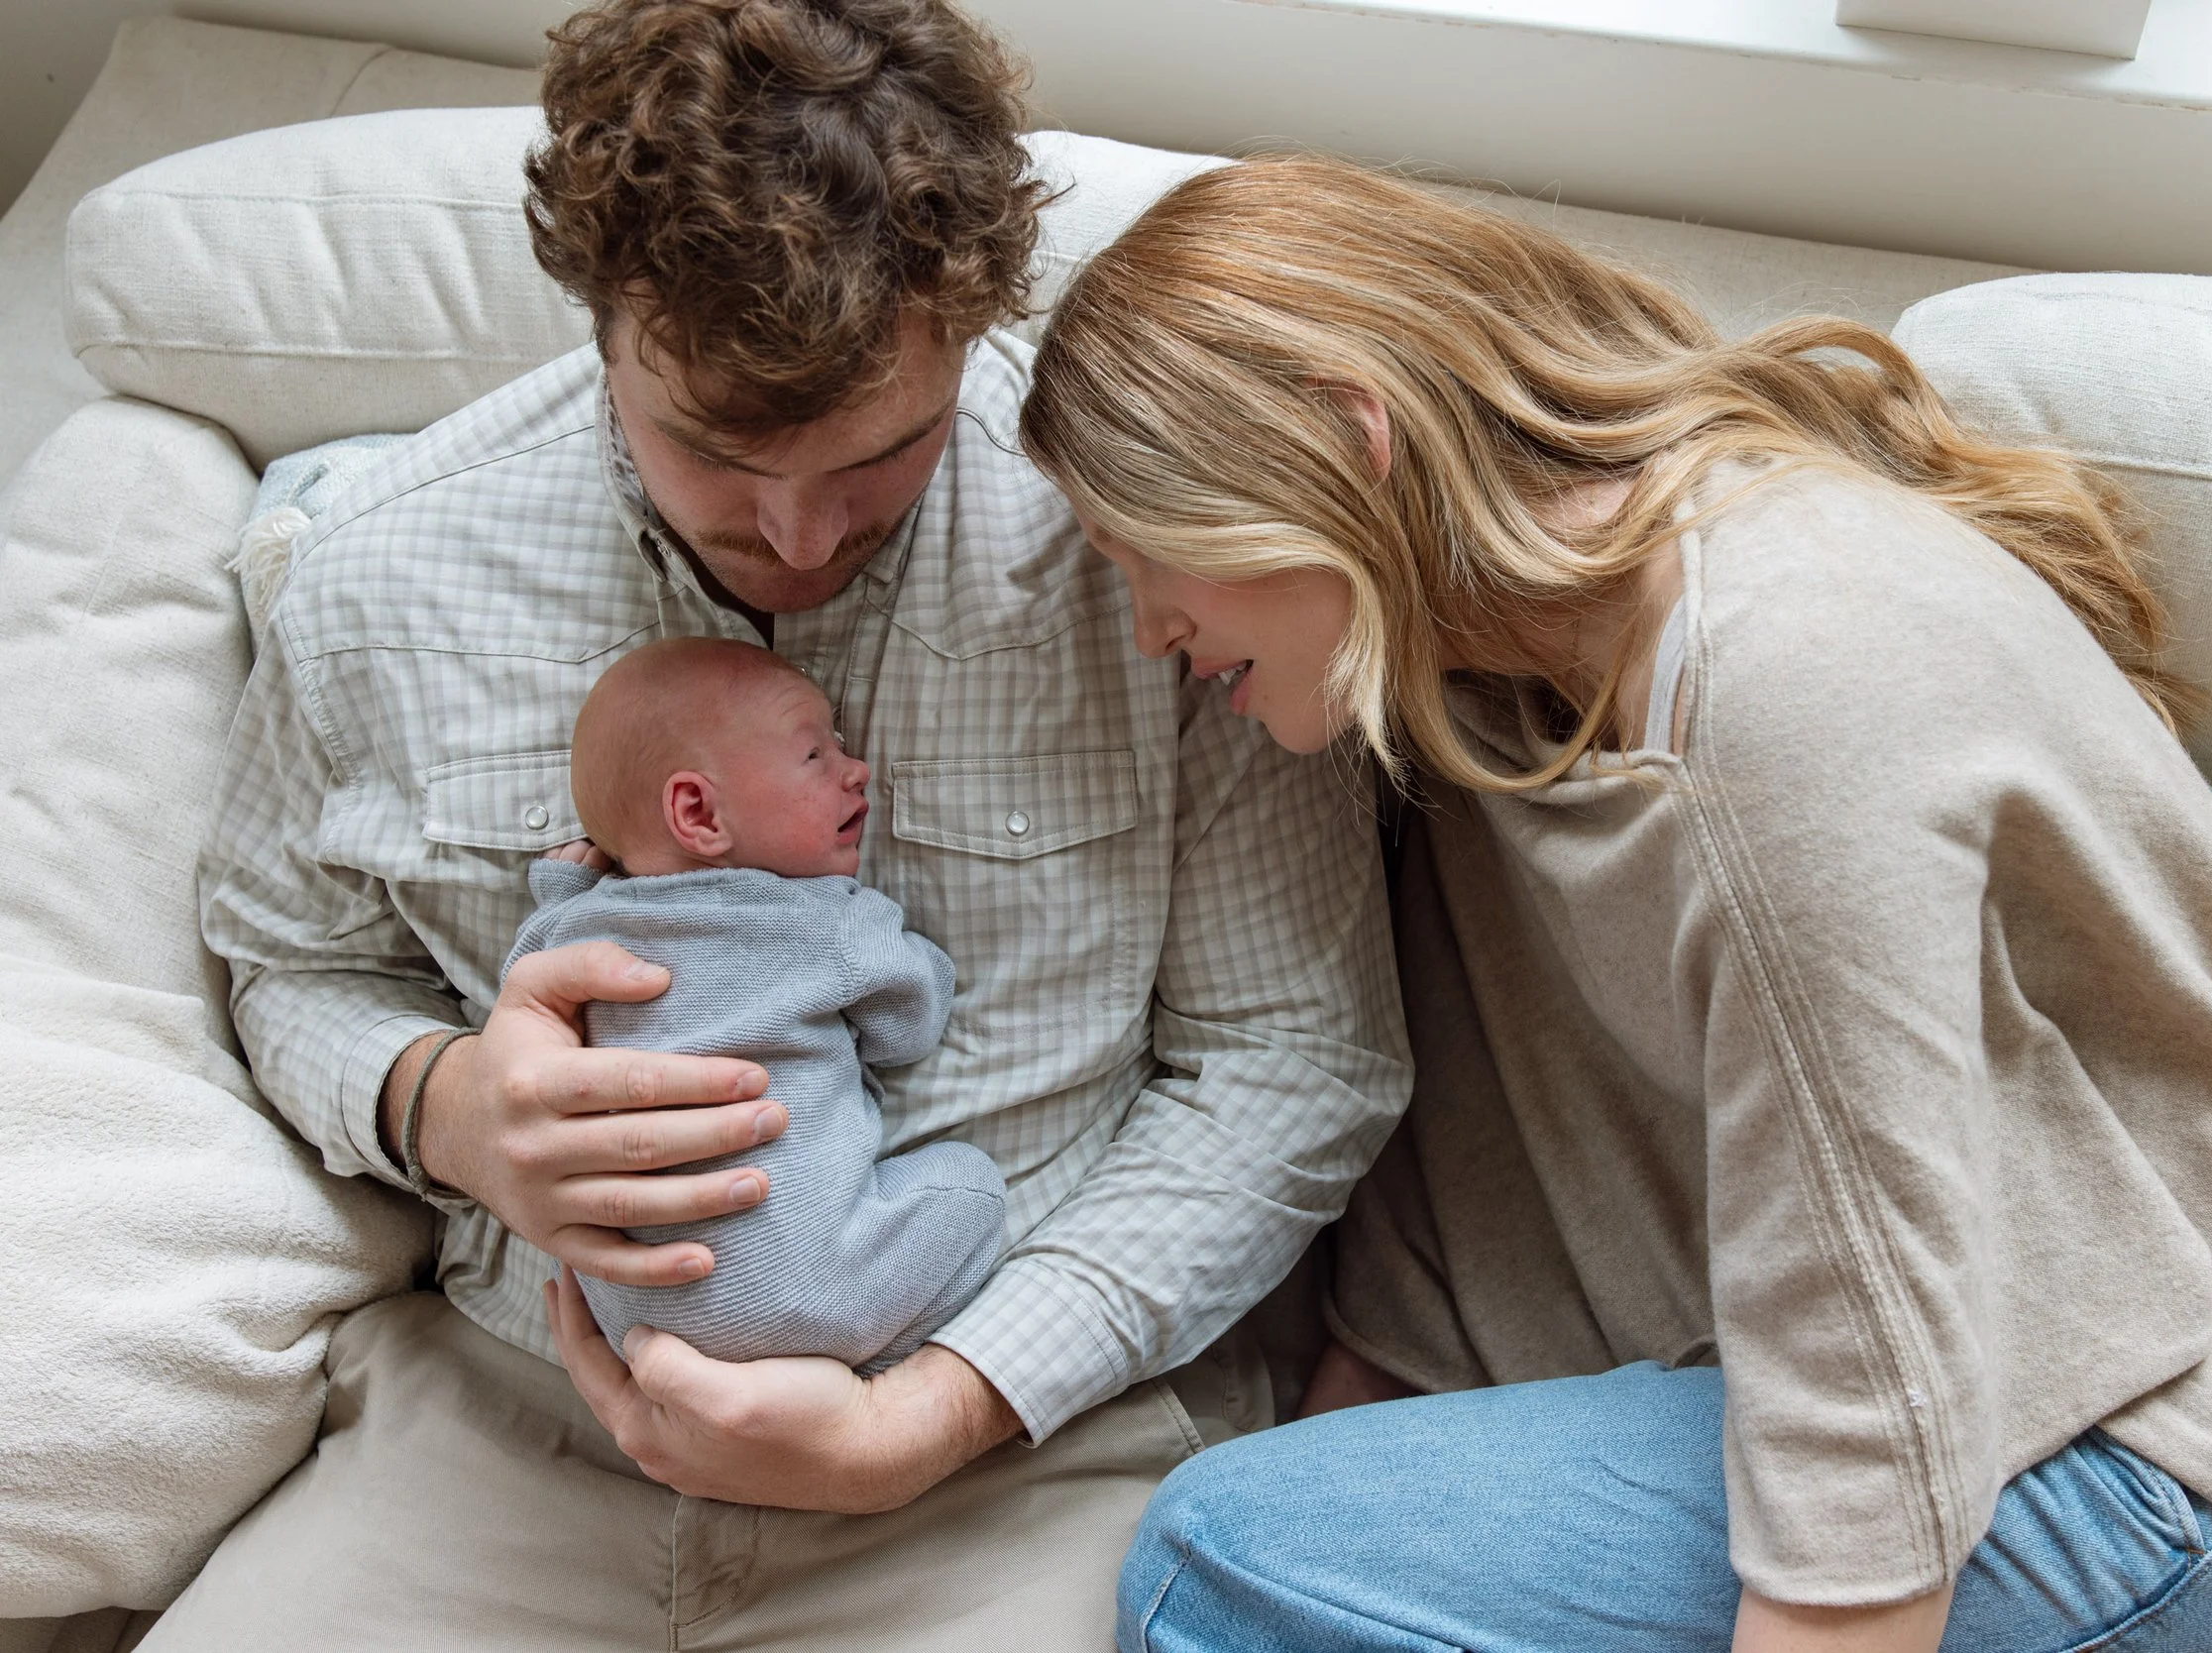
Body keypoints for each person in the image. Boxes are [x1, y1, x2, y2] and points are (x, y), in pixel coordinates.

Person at [1018, 154, 2212, 1653]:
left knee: (1220, 1564)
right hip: (2025, 1429)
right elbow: (1471, 1224)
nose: (1150, 631)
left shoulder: (1783, 675)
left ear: (1346, 437)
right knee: (1278, 1531)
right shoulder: (1497, 695)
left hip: (2185, 1468)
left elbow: (1867, 1393)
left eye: (1148, 554)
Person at [175, 6, 1407, 1646]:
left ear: (970, 325)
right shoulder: (382, 575)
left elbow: (1294, 1059)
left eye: (881, 455)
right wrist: (446, 1103)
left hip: (1023, 1437)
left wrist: (952, 1404)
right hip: (506, 1422)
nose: (805, 535)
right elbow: (282, 960)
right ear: (605, 319)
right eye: (719, 452)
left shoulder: (1158, 563)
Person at [510, 635, 1006, 1370]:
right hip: (827, 1292)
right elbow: (910, 1024)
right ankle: (861, 1365)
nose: (854, 768)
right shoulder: (826, 920)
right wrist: (908, 951)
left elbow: (522, 1003)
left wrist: (563, 890)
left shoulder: (573, 934)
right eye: (816, 756)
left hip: (644, 1325)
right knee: (975, 1186)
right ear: (699, 813)